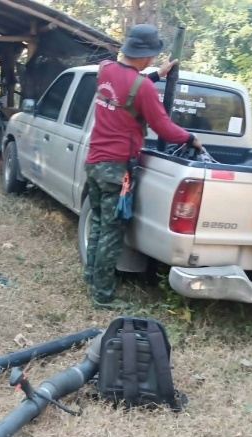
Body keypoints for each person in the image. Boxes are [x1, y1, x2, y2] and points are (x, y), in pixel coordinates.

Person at [84, 23, 204, 311]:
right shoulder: (144, 88)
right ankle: (103, 295)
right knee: (112, 231)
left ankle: (91, 277)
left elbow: (125, 88)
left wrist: (157, 74)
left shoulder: (104, 69)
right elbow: (164, 127)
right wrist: (190, 138)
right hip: (117, 168)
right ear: (147, 55)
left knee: (98, 222)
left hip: (94, 162)